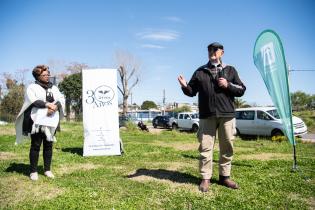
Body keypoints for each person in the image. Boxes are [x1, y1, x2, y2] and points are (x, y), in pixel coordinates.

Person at [178, 42, 246, 192]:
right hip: (207, 115)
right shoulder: (200, 71)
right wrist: (184, 86)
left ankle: (225, 177)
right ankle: (205, 178)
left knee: (227, 146)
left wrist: (228, 85)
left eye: (215, 49)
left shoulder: (230, 70)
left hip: (227, 115)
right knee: (205, 147)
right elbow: (191, 91)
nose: (212, 52)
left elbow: (242, 90)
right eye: (209, 49)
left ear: (222, 52)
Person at [15, 65, 65, 181]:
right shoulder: (32, 87)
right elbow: (33, 101)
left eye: (48, 74)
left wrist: (54, 107)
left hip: (51, 120)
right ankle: (33, 171)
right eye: (44, 75)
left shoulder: (54, 88)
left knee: (48, 145)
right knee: (36, 145)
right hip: (36, 121)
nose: (47, 76)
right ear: (38, 76)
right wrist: (48, 105)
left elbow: (61, 99)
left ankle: (47, 170)